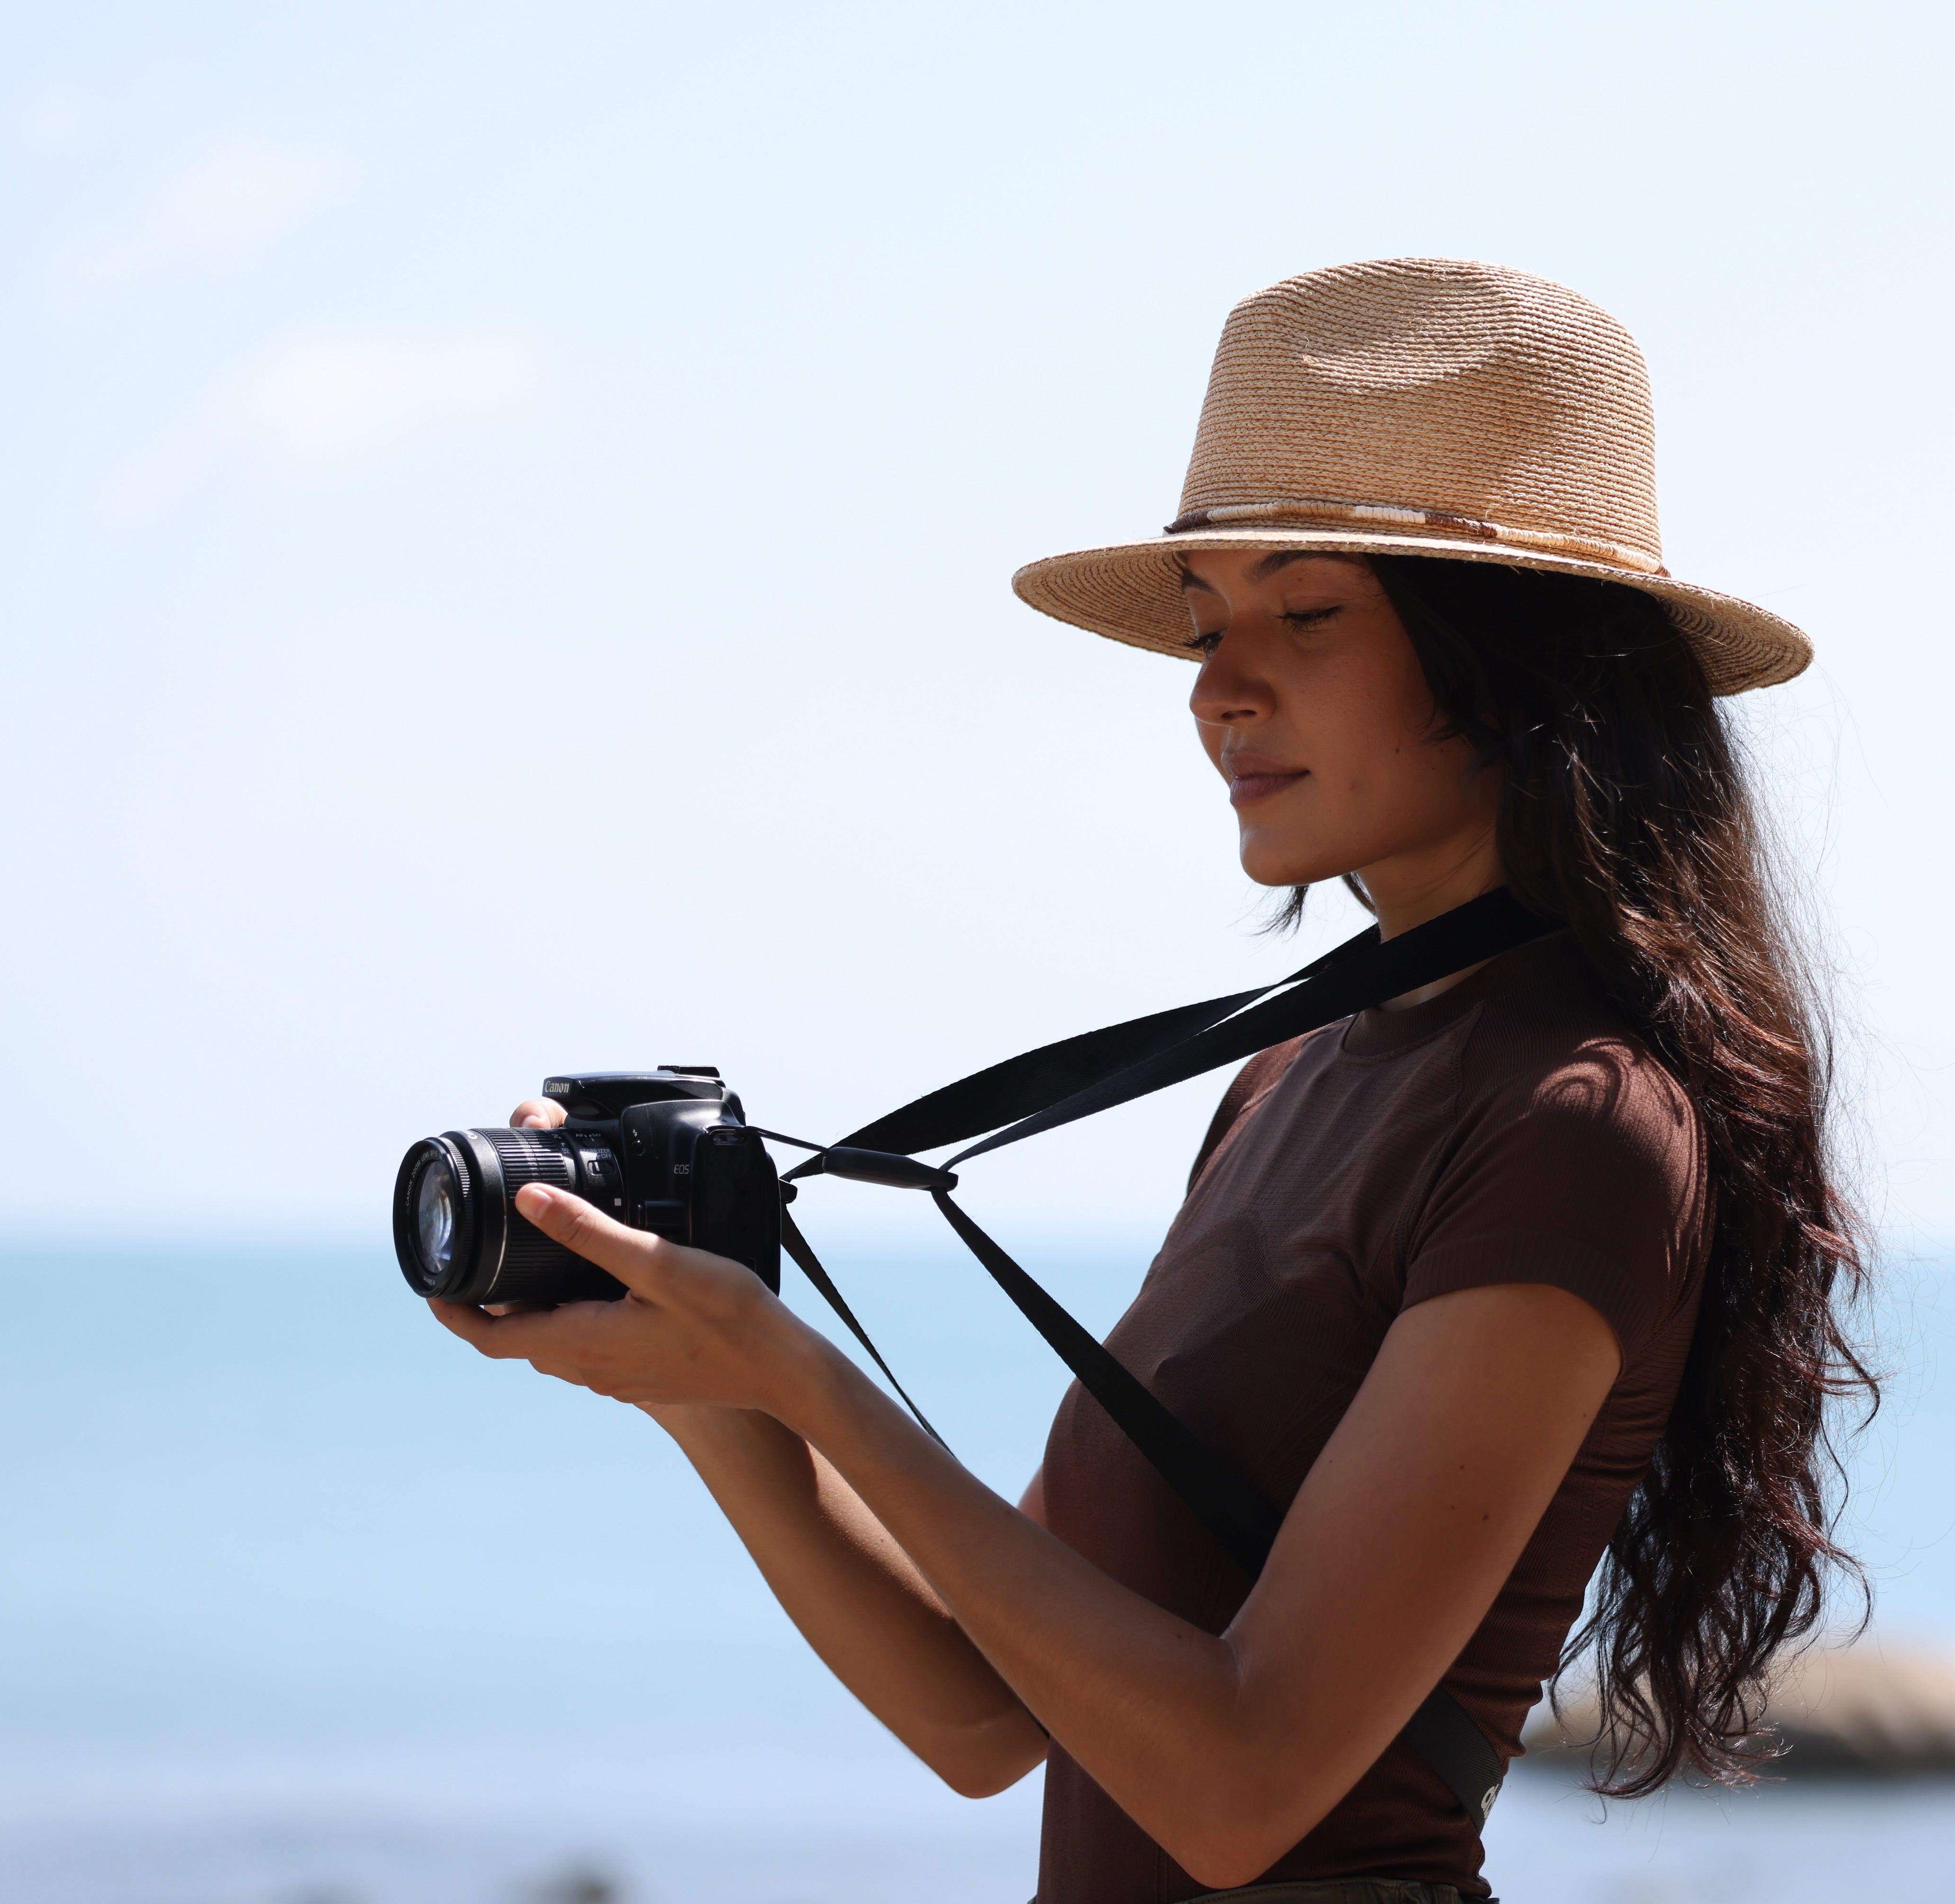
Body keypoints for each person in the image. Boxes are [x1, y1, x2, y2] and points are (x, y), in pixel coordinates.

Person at [433, 258, 1871, 1904]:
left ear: (1522, 662)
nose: (1216, 687)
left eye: (1304, 614)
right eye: (1204, 621)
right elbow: (979, 1708)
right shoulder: (1290, 1080)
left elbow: (1242, 1781)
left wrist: (812, 1381)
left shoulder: (1580, 1121)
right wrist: (705, 1373)